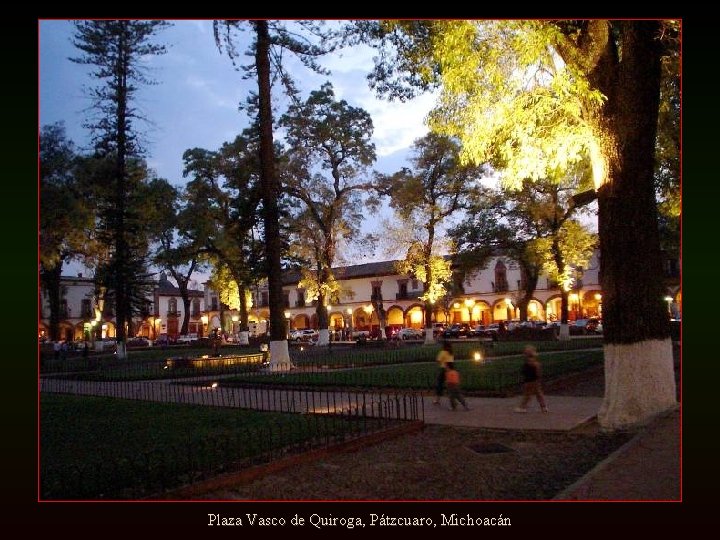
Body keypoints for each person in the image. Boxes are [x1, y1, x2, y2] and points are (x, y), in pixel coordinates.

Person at [515, 345, 549, 413]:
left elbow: (530, 370)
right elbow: (538, 371)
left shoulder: (530, 362)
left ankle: (523, 407)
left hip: (530, 380)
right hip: (534, 380)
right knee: (538, 393)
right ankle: (543, 407)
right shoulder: (535, 362)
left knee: (527, 394)